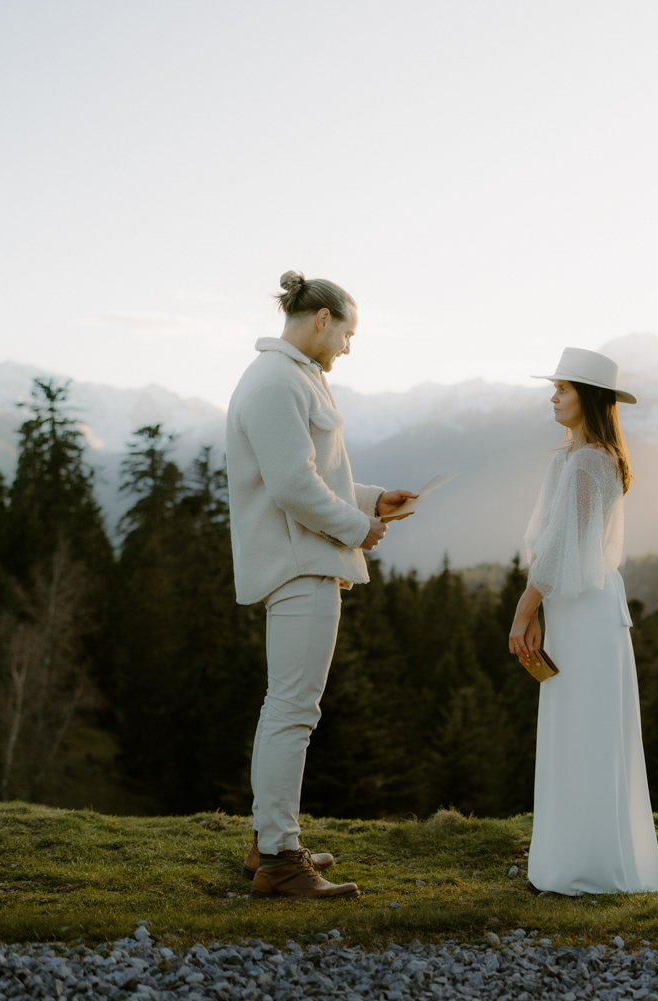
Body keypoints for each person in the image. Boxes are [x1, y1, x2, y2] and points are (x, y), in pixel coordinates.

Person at [226, 271, 416, 899]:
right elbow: (289, 485)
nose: (348, 348)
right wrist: (357, 526)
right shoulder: (276, 380)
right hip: (299, 564)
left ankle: (268, 841)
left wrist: (371, 499)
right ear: (320, 320)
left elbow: (315, 471)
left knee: (288, 708)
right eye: (347, 333)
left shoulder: (293, 377)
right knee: (292, 711)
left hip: (304, 557)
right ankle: (279, 858)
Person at [509, 347, 658, 896]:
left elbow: (560, 545)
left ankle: (586, 867)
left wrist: (524, 607)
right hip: (576, 608)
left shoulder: (588, 461)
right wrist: (541, 605)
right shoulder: (573, 458)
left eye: (563, 388)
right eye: (554, 387)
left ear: (591, 399)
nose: (553, 396)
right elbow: (555, 546)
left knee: (584, 728)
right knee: (577, 728)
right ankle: (574, 861)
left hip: (583, 612)